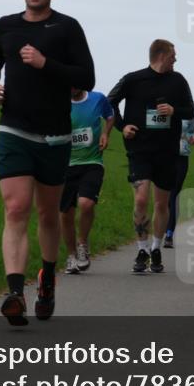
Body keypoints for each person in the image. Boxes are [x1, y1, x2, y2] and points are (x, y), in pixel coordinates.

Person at [0, 0, 94, 326]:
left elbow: (86, 77)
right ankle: (15, 292)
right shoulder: (6, 25)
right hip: (13, 129)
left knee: (48, 214)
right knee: (16, 209)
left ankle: (47, 279)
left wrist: (46, 64)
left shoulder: (67, 27)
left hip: (55, 136)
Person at [108, 39, 194, 273]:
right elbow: (110, 103)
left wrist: (174, 111)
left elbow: (191, 110)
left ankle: (156, 248)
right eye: (172, 56)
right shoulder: (133, 79)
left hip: (167, 151)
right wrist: (122, 126)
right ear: (161, 56)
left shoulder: (178, 81)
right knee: (141, 199)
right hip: (140, 150)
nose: (175, 60)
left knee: (162, 202)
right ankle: (142, 249)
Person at [61, 87, 115, 274]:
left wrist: (105, 133)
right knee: (66, 213)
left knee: (86, 204)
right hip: (65, 165)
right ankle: (71, 255)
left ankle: (82, 243)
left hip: (92, 161)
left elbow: (110, 116)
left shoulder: (97, 99)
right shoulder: (58, 101)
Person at [164, 118, 194, 249]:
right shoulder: (163, 110)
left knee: (174, 195)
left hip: (182, 158)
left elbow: (191, 135)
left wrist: (192, 139)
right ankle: (164, 228)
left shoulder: (188, 114)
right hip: (164, 157)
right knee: (165, 198)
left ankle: (169, 234)